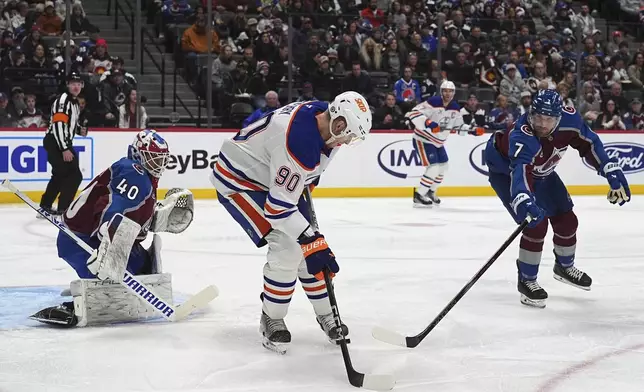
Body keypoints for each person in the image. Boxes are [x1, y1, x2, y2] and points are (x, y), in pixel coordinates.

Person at [211, 91, 372, 353]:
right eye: (349, 135)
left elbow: (307, 175)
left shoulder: (323, 116)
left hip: (272, 176)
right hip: (241, 180)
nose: (347, 141)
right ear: (340, 124)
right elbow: (277, 208)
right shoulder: (300, 141)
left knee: (311, 245)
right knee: (289, 246)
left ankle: (326, 313)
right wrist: (307, 237)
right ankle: (271, 317)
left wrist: (311, 238)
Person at [31, 129, 195, 327]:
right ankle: (83, 299)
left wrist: (153, 218)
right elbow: (113, 209)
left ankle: (94, 284)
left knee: (143, 268)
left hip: (93, 236)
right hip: (82, 241)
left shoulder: (139, 174)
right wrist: (108, 245)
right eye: (153, 158)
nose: (158, 164)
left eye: (161, 159)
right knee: (116, 278)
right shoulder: (135, 173)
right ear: (138, 153)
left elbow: (129, 212)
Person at [484, 90, 631, 308]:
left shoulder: (570, 121)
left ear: (559, 117)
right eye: (538, 118)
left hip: (542, 173)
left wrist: (609, 167)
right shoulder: (522, 135)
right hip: (507, 173)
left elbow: (590, 144)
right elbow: (521, 172)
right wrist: (523, 200)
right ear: (531, 114)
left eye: (549, 119)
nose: (542, 124)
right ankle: (527, 280)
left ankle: (564, 266)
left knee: (567, 220)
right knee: (536, 224)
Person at [405, 80, 484, 207]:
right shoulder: (433, 102)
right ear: (441, 92)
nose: (448, 94)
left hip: (438, 142)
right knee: (434, 167)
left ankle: (431, 191)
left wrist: (472, 130)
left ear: (454, 93)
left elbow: (459, 126)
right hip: (424, 139)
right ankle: (419, 194)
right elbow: (413, 113)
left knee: (443, 166)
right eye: (445, 91)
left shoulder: (455, 107)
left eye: (451, 91)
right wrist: (428, 123)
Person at [39, 72, 84, 217]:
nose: (76, 86)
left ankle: (45, 205)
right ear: (68, 85)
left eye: (78, 83)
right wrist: (64, 148)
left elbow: (68, 124)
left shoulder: (75, 103)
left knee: (60, 174)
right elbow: (58, 124)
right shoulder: (63, 101)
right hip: (57, 141)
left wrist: (79, 130)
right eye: (73, 83)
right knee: (74, 175)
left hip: (60, 141)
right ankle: (64, 208)